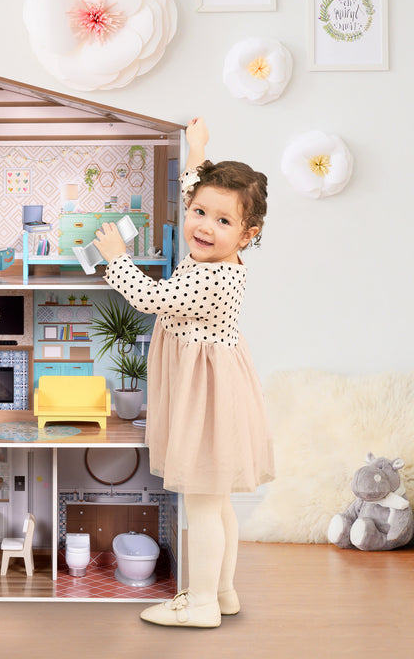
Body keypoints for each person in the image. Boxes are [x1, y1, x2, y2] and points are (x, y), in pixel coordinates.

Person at [93, 117, 274, 628]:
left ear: (248, 234)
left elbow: (152, 298)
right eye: (199, 212)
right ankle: (223, 592)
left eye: (222, 221)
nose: (202, 225)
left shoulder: (215, 277)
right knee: (215, 503)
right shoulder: (211, 253)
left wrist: (117, 260)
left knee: (202, 505)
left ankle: (199, 606)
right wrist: (197, 149)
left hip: (206, 399)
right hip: (211, 387)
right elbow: (195, 186)